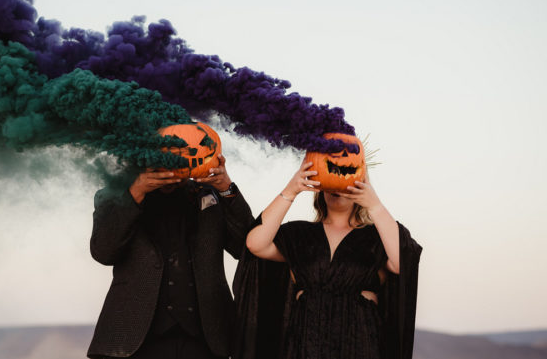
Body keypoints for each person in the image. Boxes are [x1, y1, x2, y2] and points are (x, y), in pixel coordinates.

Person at [239, 160, 422, 359]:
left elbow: (404, 263)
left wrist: (374, 205)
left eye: (345, 172)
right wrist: (291, 191)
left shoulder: (377, 237)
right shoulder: (299, 234)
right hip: (304, 342)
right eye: (331, 172)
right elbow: (255, 244)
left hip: (360, 343)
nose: (337, 180)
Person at [86, 154, 254, 359]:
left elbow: (247, 248)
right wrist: (135, 192)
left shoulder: (210, 194)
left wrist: (226, 188)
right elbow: (104, 252)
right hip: (133, 341)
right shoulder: (113, 195)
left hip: (207, 341)